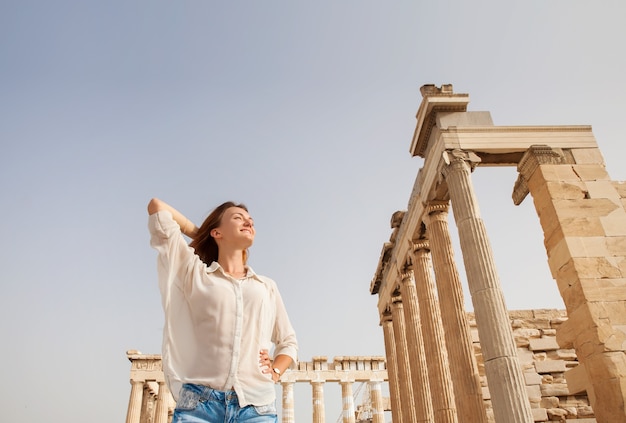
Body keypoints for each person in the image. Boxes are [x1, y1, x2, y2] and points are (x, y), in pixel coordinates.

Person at [147, 198, 298, 423]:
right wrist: (203, 235)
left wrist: (275, 371)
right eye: (238, 218)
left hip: (256, 408)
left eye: (251, 221)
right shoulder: (194, 274)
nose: (248, 223)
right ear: (216, 232)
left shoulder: (266, 286)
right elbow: (157, 207)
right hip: (199, 406)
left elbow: (288, 341)